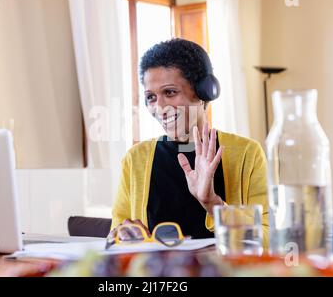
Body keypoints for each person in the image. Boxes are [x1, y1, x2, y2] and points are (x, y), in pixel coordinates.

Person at [110, 38, 269, 247]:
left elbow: (267, 240)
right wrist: (123, 235)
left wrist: (213, 204)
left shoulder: (247, 153)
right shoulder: (135, 159)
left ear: (204, 92)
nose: (159, 107)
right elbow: (115, 235)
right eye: (151, 97)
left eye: (169, 92)